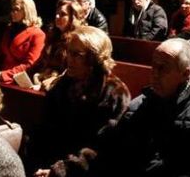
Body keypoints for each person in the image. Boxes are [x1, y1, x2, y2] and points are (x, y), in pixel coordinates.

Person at [86, 38, 190, 176]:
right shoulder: (139, 104)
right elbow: (113, 152)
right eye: (153, 65)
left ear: (185, 74)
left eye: (163, 68)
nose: (154, 73)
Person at [33, 26, 131, 176]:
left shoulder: (114, 93)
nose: (68, 58)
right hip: (51, 164)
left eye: (76, 54)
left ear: (94, 58)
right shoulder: (63, 84)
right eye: (68, 51)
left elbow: (100, 149)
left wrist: (59, 171)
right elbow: (44, 129)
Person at [0, 0, 46, 84]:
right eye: (12, 9)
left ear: (27, 11)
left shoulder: (38, 34)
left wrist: (3, 74)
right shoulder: (10, 29)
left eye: (16, 9)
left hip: (19, 81)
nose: (12, 13)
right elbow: (0, 54)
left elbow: (29, 65)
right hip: (0, 76)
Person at [31, 0, 86, 90]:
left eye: (63, 14)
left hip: (67, 87)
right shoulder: (53, 36)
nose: (57, 16)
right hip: (48, 82)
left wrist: (53, 80)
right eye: (57, 13)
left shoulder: (78, 39)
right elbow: (46, 62)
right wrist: (41, 75)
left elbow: (73, 71)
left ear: (73, 17)